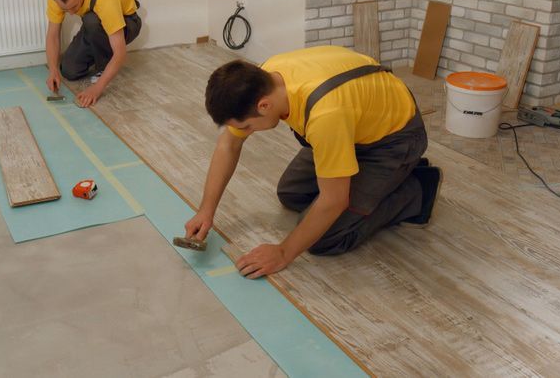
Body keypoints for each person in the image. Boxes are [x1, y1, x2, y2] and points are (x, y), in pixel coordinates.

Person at [183, 46, 442, 278]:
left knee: (325, 239)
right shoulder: (264, 78)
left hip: (393, 140)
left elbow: (334, 200)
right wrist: (207, 209)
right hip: (354, 123)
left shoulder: (325, 115)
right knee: (291, 194)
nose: (247, 131)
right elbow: (229, 144)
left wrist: (283, 253)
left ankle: (415, 190)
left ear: (263, 106)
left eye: (248, 126)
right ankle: (361, 176)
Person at [44, 0, 143, 107]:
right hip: (97, 26)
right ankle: (99, 55)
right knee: (69, 70)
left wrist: (97, 88)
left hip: (128, 23)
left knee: (91, 20)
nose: (72, 13)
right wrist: (53, 70)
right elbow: (53, 36)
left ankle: (103, 66)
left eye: (74, 6)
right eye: (65, 10)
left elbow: (120, 52)